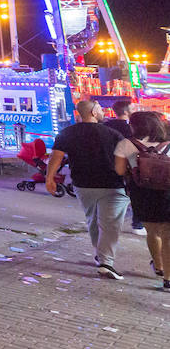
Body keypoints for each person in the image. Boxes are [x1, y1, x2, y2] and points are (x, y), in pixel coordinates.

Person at [50, 99, 130, 280]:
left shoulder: (67, 133)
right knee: (110, 224)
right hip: (112, 185)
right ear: (94, 112)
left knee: (93, 220)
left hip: (82, 184)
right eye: (100, 109)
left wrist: (49, 178)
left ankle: (100, 254)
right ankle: (105, 262)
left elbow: (56, 156)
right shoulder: (112, 133)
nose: (103, 112)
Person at [112, 111, 170, 291]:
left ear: (134, 126)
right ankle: (169, 278)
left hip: (142, 193)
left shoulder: (126, 144)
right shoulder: (168, 144)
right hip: (168, 193)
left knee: (152, 232)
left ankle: (159, 267)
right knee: (168, 234)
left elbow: (120, 171)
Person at [105, 100, 145, 236]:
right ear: (127, 112)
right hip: (128, 166)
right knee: (135, 195)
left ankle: (111, 224)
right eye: (132, 108)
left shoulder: (105, 126)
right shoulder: (132, 129)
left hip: (108, 165)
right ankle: (137, 224)